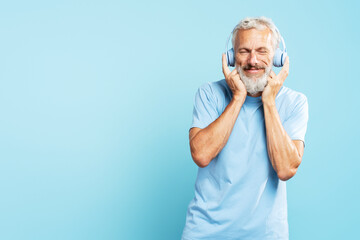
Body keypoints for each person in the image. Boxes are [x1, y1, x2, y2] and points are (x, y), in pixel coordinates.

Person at [181, 16, 309, 240]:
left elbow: (286, 169)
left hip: (266, 235)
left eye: (262, 51)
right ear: (231, 57)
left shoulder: (295, 102)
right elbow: (200, 154)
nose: (252, 60)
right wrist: (238, 97)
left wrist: (269, 101)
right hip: (206, 233)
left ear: (278, 58)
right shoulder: (209, 94)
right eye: (244, 51)